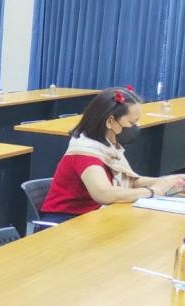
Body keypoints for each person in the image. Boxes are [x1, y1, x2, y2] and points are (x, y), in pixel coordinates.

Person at [39, 87, 185, 223]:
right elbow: (104, 194)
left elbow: (129, 180)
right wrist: (151, 191)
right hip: (67, 221)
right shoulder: (85, 152)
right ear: (110, 121)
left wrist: (167, 181)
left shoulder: (108, 146)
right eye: (131, 122)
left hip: (93, 215)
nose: (135, 128)